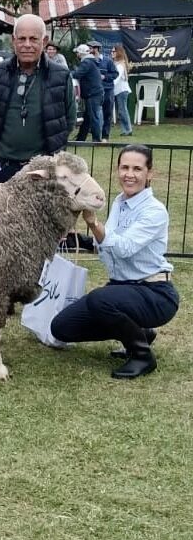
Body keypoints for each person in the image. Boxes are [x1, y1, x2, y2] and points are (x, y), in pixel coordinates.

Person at [51, 145, 179, 379]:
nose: (129, 174)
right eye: (124, 167)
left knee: (100, 299)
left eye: (137, 169)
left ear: (149, 173)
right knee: (61, 328)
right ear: (117, 170)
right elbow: (107, 244)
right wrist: (80, 239)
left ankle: (142, 355)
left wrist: (93, 223)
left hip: (155, 293)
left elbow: (124, 248)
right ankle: (140, 332)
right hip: (122, 289)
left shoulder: (155, 211)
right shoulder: (120, 202)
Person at [0, 14, 76, 183]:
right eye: (22, 39)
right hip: (3, 166)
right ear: (13, 40)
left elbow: (69, 121)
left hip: (43, 170)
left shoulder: (61, 76)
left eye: (33, 39)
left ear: (44, 41)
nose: (27, 45)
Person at [72, 43, 104, 142]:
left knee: (94, 117)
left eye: (77, 52)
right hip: (94, 93)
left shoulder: (86, 63)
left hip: (92, 94)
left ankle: (96, 139)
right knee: (88, 117)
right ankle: (81, 138)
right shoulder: (91, 61)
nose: (77, 54)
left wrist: (66, 73)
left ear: (81, 53)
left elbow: (77, 74)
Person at [90, 40, 118, 141]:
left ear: (96, 49)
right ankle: (96, 137)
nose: (89, 50)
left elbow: (115, 74)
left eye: (91, 48)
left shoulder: (108, 61)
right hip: (94, 91)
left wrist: (104, 77)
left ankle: (105, 136)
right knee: (95, 114)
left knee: (107, 113)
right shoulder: (89, 61)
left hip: (107, 90)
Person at [112, 45, 133, 137]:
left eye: (114, 51)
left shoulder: (120, 64)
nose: (112, 53)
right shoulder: (117, 63)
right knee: (121, 110)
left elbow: (118, 76)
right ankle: (126, 129)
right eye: (112, 51)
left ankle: (127, 130)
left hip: (122, 90)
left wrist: (111, 84)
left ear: (118, 53)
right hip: (119, 90)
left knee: (122, 110)